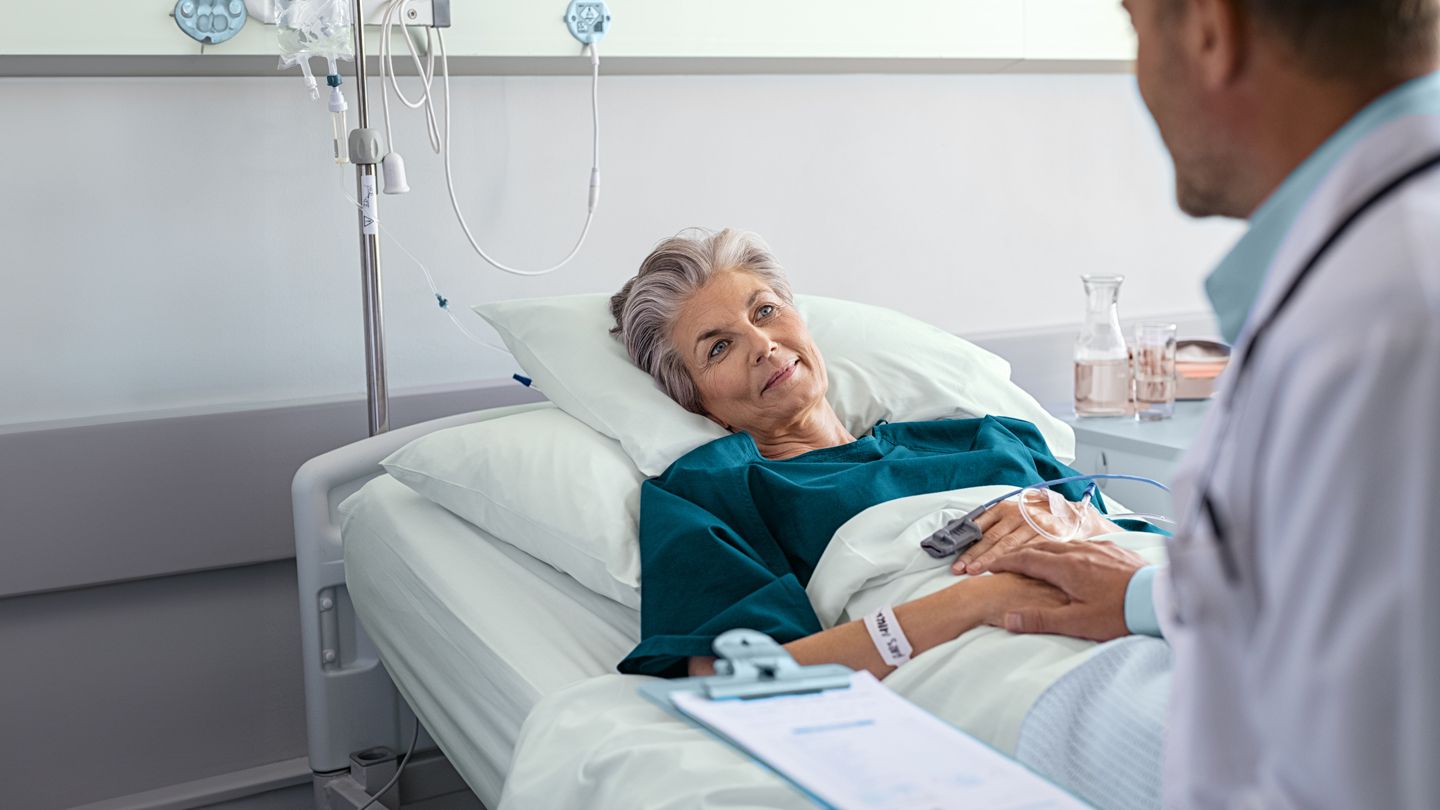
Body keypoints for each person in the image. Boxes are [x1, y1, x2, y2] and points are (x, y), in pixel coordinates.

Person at [982, 1, 1440, 806]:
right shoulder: (1370, 277)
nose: (1139, 78)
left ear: (1207, 30)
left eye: (1135, 27)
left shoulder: (1386, 325)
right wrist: (1139, 591)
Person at [606, 228, 1143, 681]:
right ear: (696, 400)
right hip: (1010, 662)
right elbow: (738, 675)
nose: (762, 344)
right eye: (718, 347)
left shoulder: (988, 436)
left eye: (765, 311)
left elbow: (1141, 539)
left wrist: (1080, 522)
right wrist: (984, 598)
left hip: (1150, 604)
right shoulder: (715, 489)